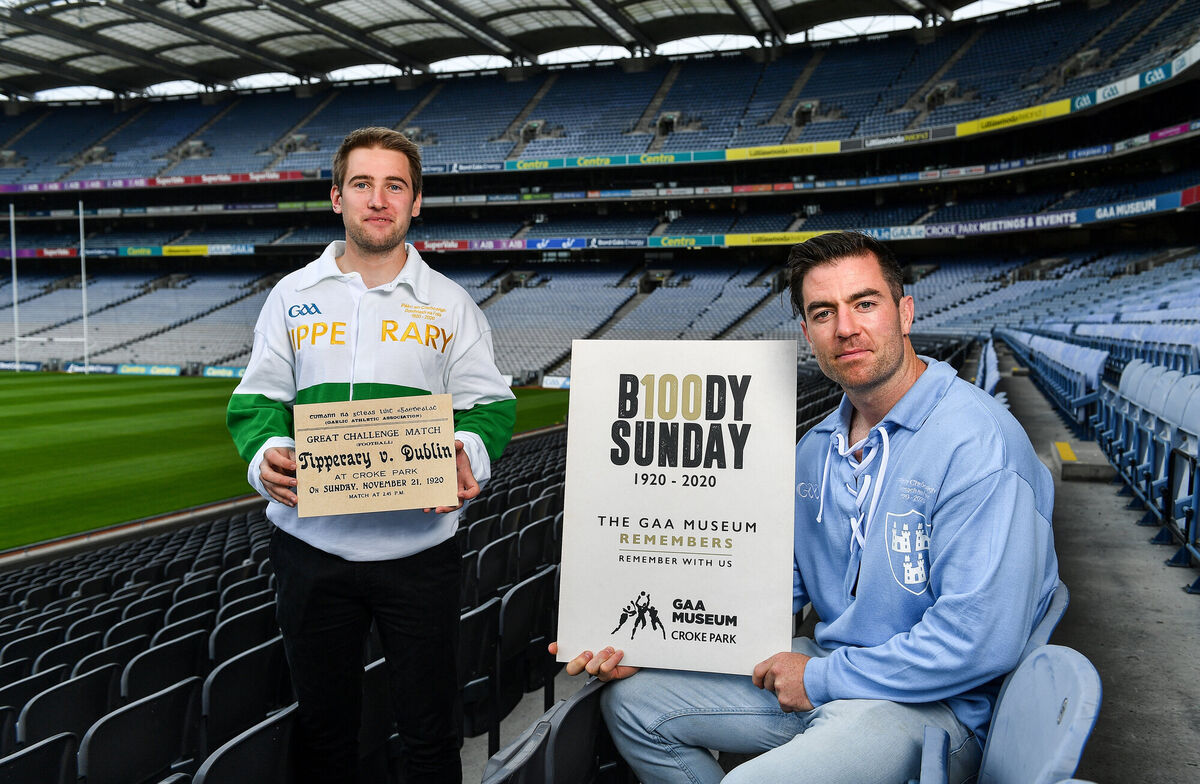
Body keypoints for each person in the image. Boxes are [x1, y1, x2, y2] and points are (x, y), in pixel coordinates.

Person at [552, 231, 1059, 783]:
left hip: (938, 710)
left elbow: (977, 641)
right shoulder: (815, 449)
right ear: (807, 333)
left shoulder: (978, 443)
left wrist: (820, 679)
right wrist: (647, 640)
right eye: (824, 312)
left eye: (865, 303)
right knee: (634, 703)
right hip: (834, 674)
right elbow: (763, 591)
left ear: (905, 312)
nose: (845, 328)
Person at [227, 126, 515, 784]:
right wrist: (267, 451)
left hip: (420, 556)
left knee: (430, 734)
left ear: (416, 203)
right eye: (363, 184)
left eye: (395, 186)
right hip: (310, 551)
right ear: (337, 198)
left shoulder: (450, 303)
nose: (378, 199)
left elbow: (491, 407)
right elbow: (258, 399)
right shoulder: (292, 296)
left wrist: (466, 451)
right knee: (324, 733)